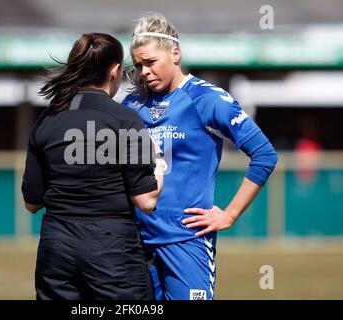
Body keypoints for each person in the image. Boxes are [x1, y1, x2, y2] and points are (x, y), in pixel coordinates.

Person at [122, 14, 278, 300]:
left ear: (175, 54)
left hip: (186, 242)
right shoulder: (131, 104)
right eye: (139, 64)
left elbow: (265, 155)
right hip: (134, 244)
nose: (144, 71)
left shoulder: (207, 99)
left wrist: (230, 214)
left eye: (151, 62)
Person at [21, 33, 165, 300]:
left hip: (56, 246)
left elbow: (32, 203)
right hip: (110, 247)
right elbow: (146, 201)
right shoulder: (125, 119)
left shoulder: (47, 119)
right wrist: (158, 163)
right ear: (114, 70)